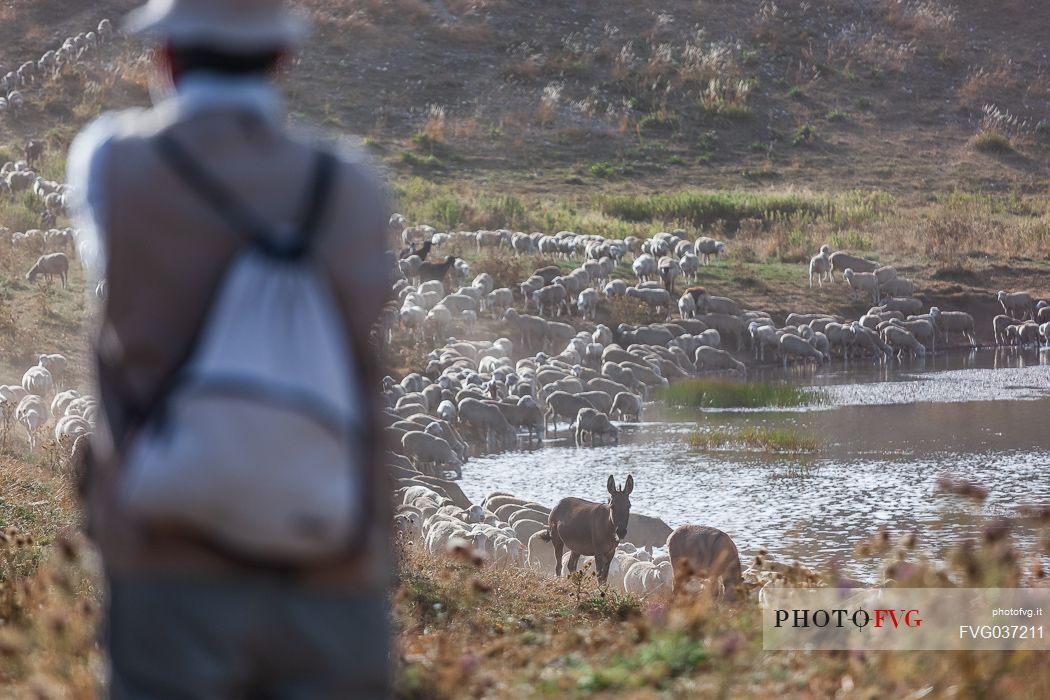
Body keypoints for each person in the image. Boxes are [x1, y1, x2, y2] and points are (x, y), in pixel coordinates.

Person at [67, 1, 394, 697]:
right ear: (282, 60)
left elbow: (111, 289)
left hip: (170, 553)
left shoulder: (114, 163)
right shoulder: (355, 186)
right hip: (334, 559)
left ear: (166, 57)